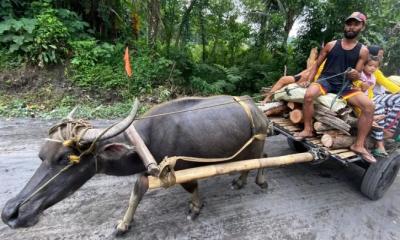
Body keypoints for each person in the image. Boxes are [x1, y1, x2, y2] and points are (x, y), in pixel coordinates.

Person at [294, 12, 377, 163]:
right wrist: (309, 80)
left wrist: (354, 74)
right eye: (349, 23)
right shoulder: (331, 45)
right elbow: (316, 65)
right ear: (345, 25)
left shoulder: (363, 50)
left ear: (362, 27)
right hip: (326, 81)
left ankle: (358, 145)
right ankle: (307, 129)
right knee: (309, 95)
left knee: (369, 106)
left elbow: (357, 73)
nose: (351, 27)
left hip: (345, 86)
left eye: (355, 24)